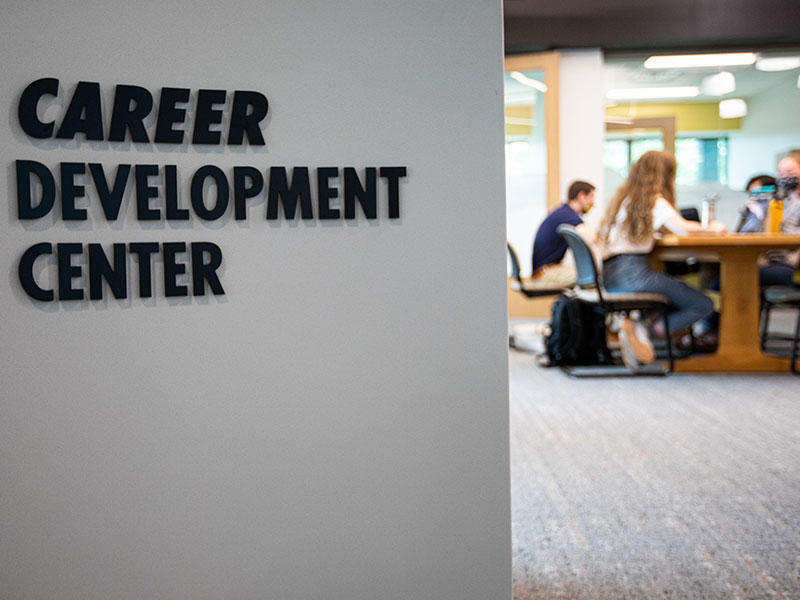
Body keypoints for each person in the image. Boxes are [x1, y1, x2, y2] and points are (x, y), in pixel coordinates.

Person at [598, 151, 725, 368]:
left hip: (612, 275)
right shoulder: (653, 200)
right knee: (702, 303)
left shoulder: (625, 200)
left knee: (671, 294)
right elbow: (683, 230)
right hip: (635, 274)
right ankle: (644, 330)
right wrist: (712, 229)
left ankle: (639, 329)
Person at [530, 180, 596, 287]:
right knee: (592, 276)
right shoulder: (567, 215)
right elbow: (592, 238)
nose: (592, 202)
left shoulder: (562, 212)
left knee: (587, 274)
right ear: (581, 196)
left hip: (546, 269)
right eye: (591, 197)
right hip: (546, 272)